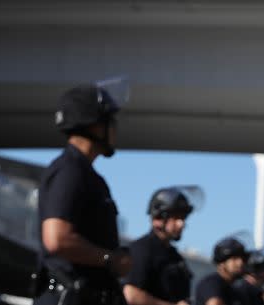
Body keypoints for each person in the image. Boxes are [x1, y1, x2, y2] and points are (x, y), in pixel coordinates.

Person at [33, 80, 132, 305]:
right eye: (109, 120)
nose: (114, 128)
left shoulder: (84, 172)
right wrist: (110, 259)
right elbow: (57, 238)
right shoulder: (70, 170)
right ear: (94, 125)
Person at [123, 187, 196, 305]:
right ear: (158, 218)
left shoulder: (175, 257)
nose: (181, 224)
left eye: (183, 218)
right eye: (176, 218)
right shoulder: (142, 248)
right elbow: (131, 295)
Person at [194, 237, 247, 305]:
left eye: (242, 258)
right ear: (222, 263)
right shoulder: (211, 283)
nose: (240, 262)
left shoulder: (233, 288)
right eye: (234, 259)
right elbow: (214, 302)